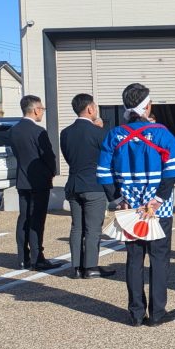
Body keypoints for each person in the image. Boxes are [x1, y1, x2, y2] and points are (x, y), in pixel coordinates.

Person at [97, 83, 175, 327]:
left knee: (134, 258)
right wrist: (158, 199)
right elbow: (172, 171)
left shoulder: (115, 134)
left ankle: (136, 313)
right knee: (159, 258)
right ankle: (157, 313)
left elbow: (103, 173)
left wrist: (117, 199)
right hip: (158, 209)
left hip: (128, 207)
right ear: (147, 106)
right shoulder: (161, 133)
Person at [60, 93, 115, 279]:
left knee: (77, 227)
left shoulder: (65, 133)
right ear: (90, 108)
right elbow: (108, 158)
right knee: (93, 228)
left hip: (74, 184)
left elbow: (68, 157)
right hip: (93, 185)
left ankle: (76, 267)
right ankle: (91, 266)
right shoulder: (100, 133)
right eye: (95, 107)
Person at [8, 95, 58, 271]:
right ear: (36, 110)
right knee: (37, 219)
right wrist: (52, 171)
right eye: (42, 109)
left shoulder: (13, 131)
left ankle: (23, 258)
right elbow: (48, 156)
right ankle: (37, 258)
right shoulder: (38, 131)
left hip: (22, 180)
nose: (42, 112)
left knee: (24, 218)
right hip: (39, 180)